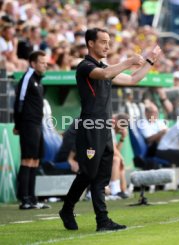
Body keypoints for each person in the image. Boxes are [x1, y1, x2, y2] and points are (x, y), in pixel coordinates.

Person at [59, 27, 161, 232]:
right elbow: (106, 72)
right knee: (88, 173)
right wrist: (128, 61)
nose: (107, 46)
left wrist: (149, 62)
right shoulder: (85, 66)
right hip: (90, 128)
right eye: (103, 42)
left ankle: (102, 221)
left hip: (105, 129)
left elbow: (132, 79)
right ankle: (67, 209)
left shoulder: (106, 68)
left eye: (108, 41)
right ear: (90, 43)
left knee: (101, 176)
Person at [13, 50, 50, 210]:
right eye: (42, 62)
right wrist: (18, 124)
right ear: (33, 64)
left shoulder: (38, 80)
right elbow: (19, 102)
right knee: (27, 159)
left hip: (37, 124)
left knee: (35, 160)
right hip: (27, 124)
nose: (45, 65)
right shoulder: (27, 78)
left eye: (45, 62)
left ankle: (33, 198)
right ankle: (24, 199)